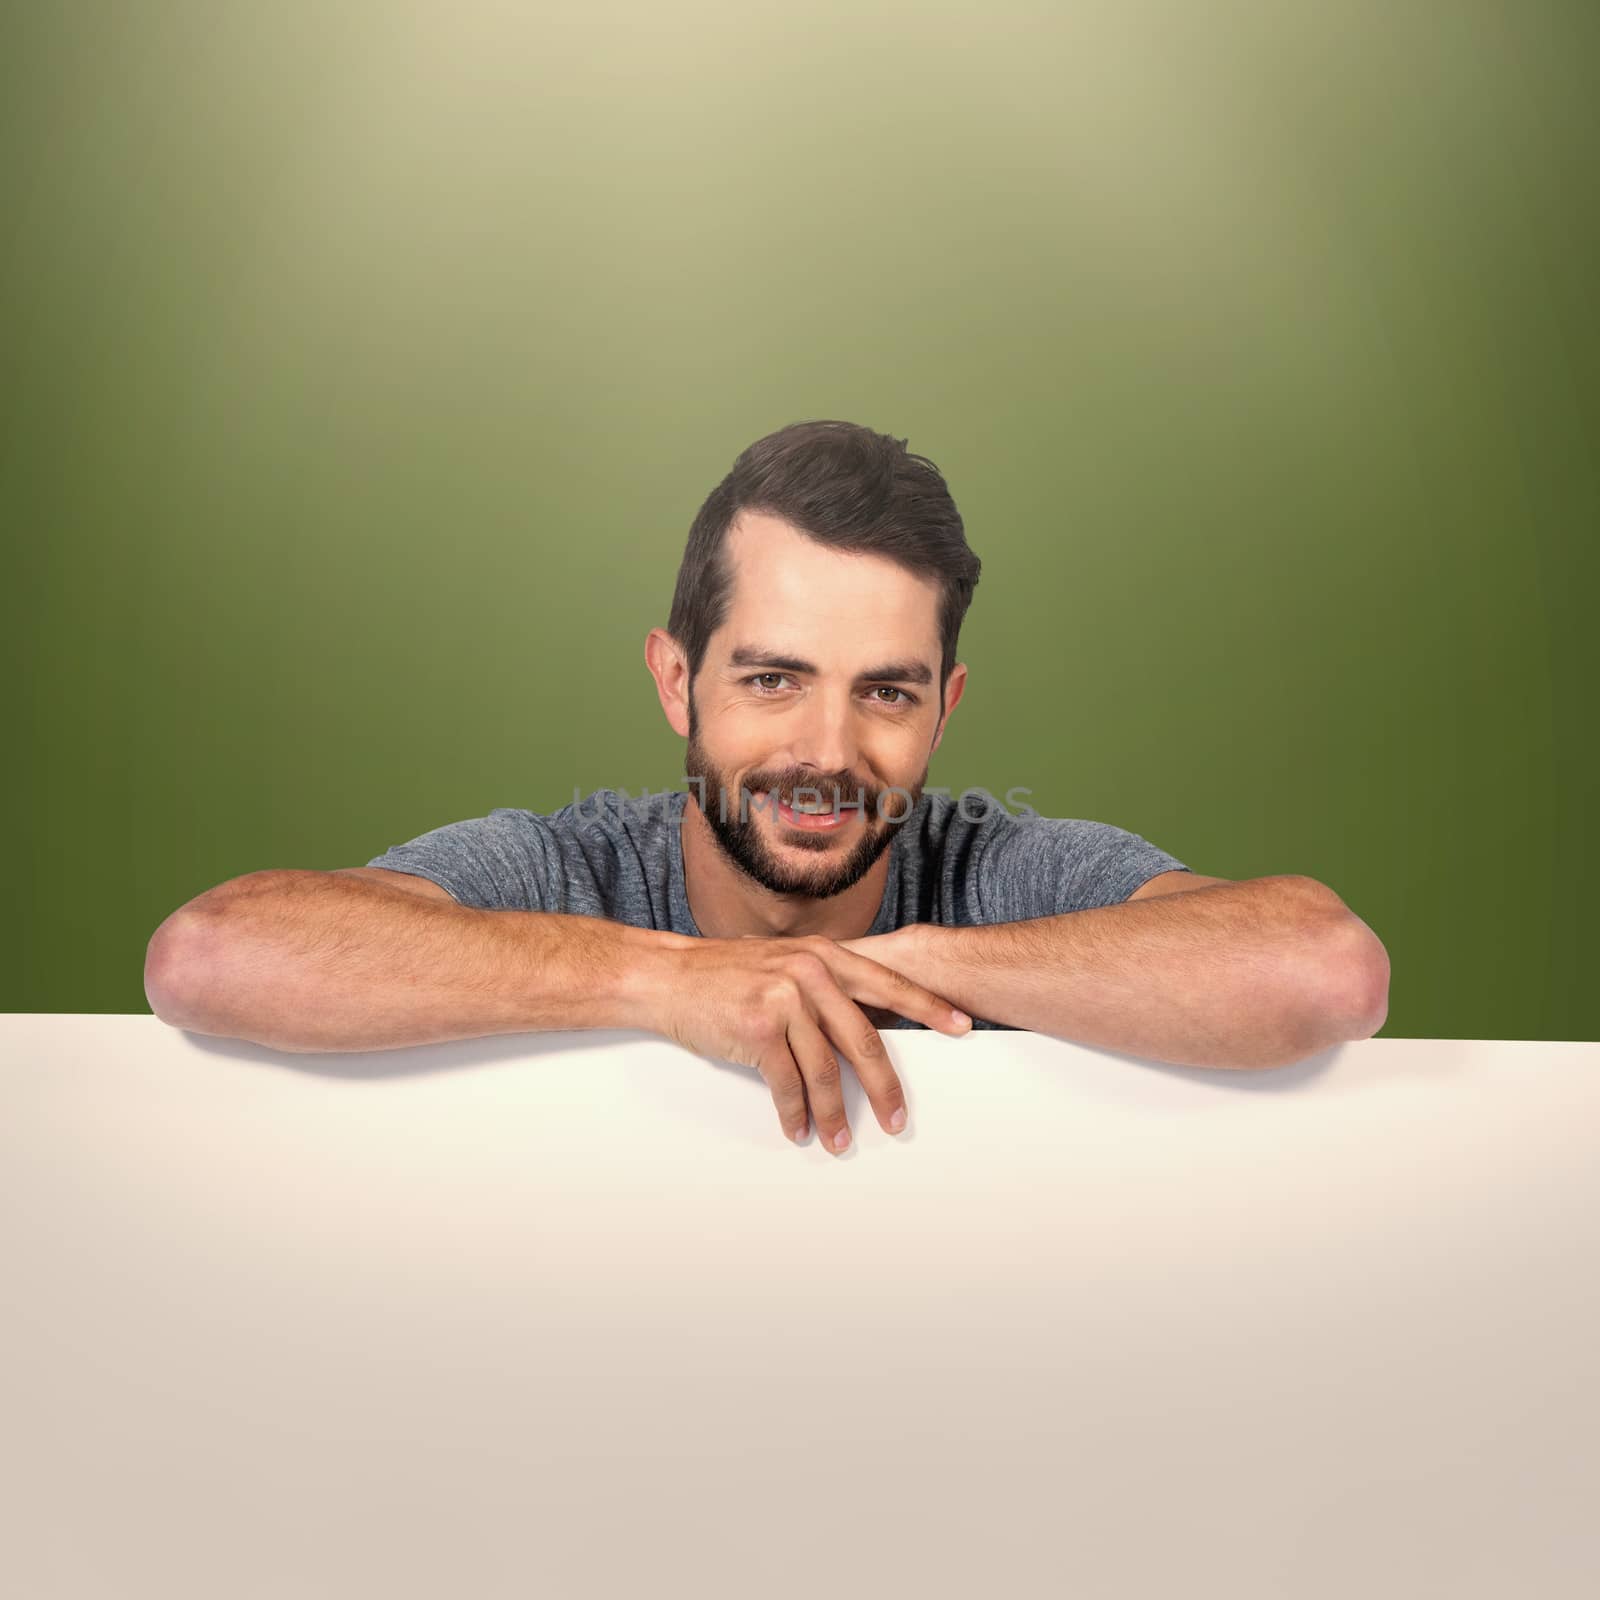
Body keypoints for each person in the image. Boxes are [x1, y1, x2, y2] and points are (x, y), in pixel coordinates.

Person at [145, 419, 1389, 1153]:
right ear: (677, 682)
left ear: (944, 709)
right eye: (775, 679)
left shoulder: (1002, 874)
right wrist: (663, 978)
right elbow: (210, 959)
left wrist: (907, 967)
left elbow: (1322, 971)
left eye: (886, 692)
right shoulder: (567, 869)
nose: (828, 752)